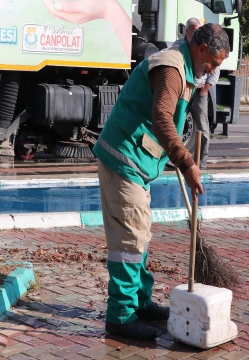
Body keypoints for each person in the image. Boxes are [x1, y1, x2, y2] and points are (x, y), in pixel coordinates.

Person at [93, 23, 230, 340]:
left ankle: (140, 303)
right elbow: (161, 119)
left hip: (137, 165)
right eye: (214, 63)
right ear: (201, 49)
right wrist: (187, 162)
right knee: (129, 243)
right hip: (123, 160)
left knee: (140, 236)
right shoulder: (171, 68)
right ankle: (121, 316)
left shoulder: (186, 66)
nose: (213, 71)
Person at [175, 19, 222, 167]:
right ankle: (175, 159)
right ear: (187, 31)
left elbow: (215, 69)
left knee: (202, 126)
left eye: (199, 31)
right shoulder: (178, 46)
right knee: (177, 123)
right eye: (195, 31)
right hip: (183, 90)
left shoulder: (206, 46)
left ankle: (202, 161)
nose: (197, 34)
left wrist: (206, 88)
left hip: (199, 90)